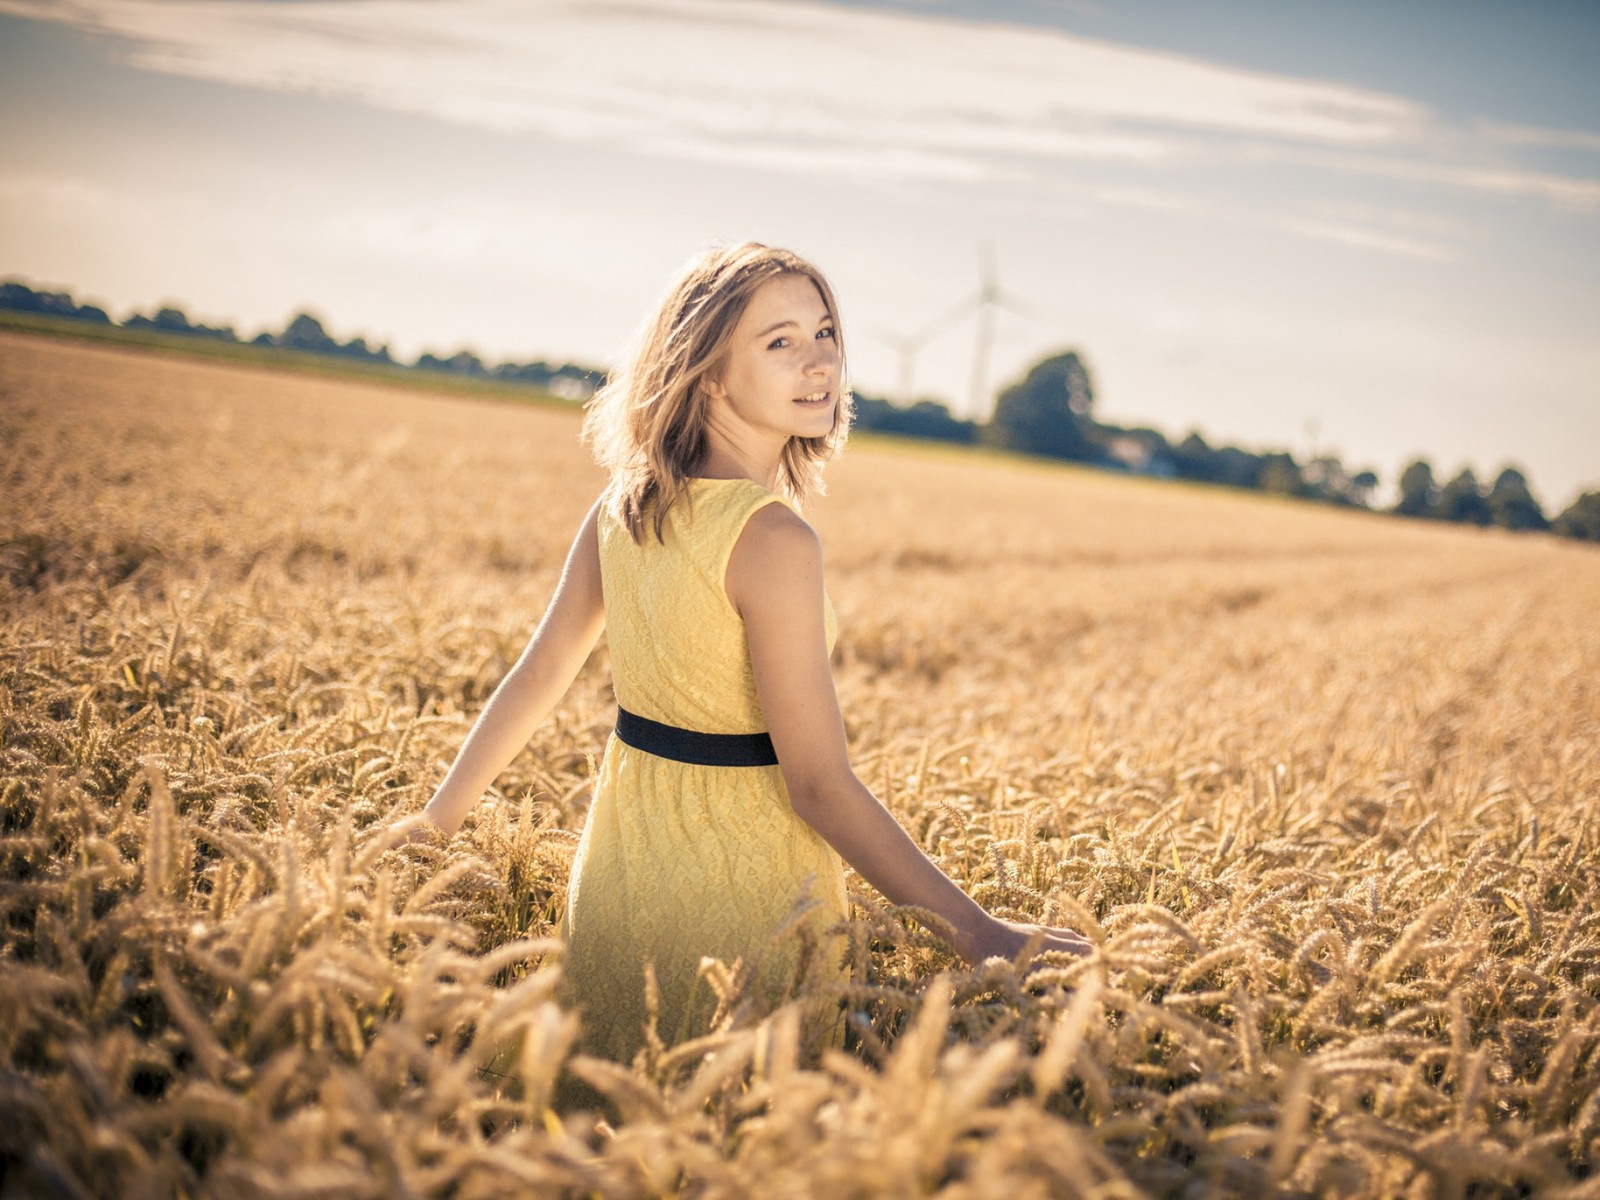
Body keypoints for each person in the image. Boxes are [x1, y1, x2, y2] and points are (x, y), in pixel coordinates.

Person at [415, 241, 1091, 1062]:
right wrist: (976, 930)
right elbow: (816, 785)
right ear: (708, 374)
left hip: (619, 876)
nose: (821, 361)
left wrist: (432, 824)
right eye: (781, 342)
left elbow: (539, 677)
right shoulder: (773, 540)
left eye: (826, 332)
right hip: (746, 899)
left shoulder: (625, 507)